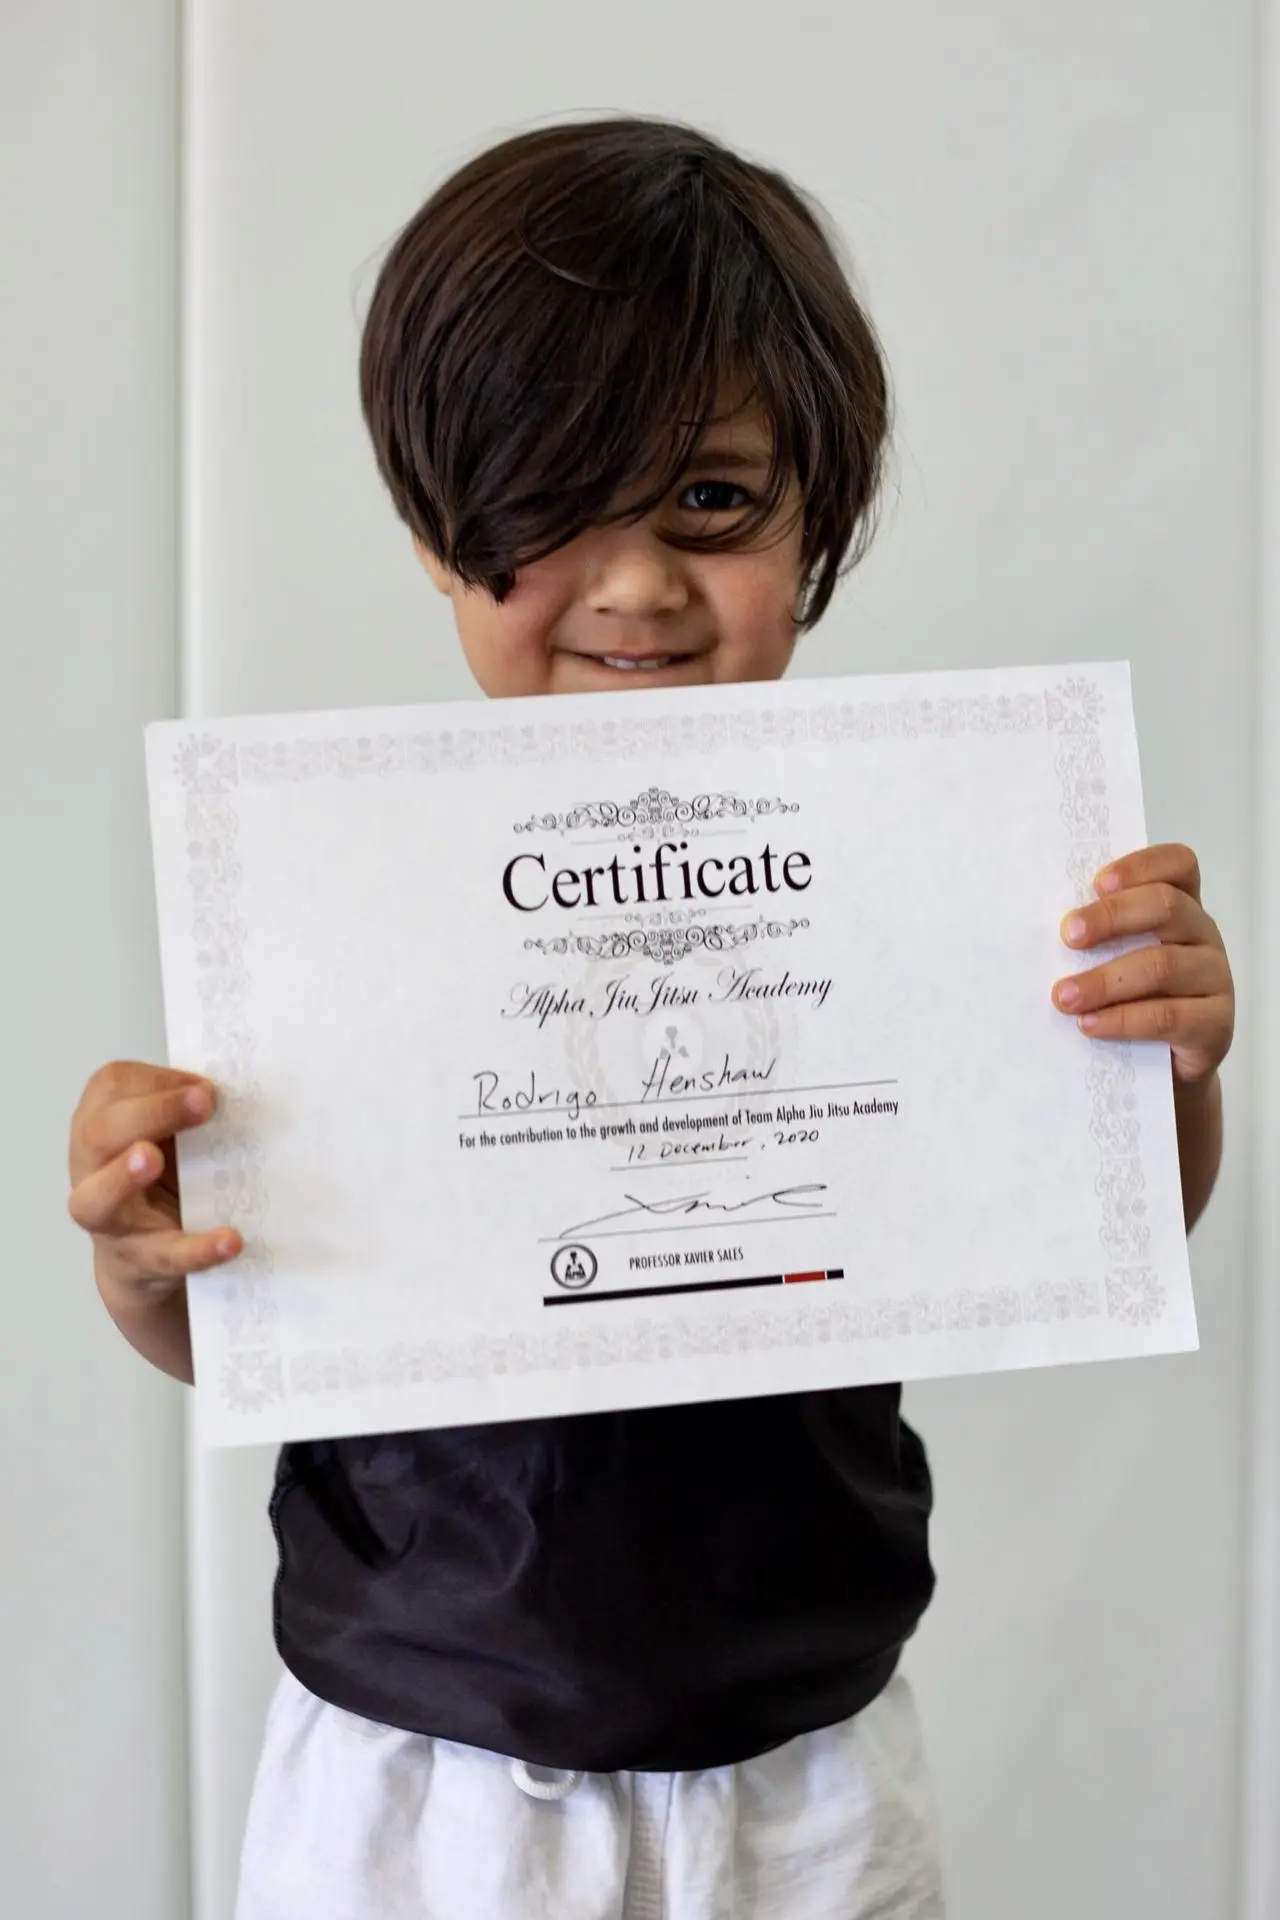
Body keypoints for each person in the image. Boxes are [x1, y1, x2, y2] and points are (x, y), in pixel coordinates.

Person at [66, 118, 1236, 1919]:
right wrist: (149, 1261)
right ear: (434, 525)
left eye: (710, 500)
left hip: (807, 1766)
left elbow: (1099, 1218)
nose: (636, 586)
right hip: (414, 1774)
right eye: (552, 505)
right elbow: (260, 1321)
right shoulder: (337, 903)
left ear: (817, 515)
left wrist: (1162, 1065)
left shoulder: (928, 873)